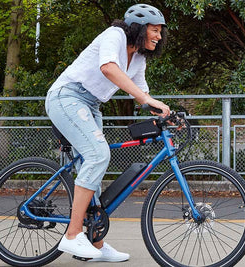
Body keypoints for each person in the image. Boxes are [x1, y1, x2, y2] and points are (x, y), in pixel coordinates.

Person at [44, 4, 171, 262]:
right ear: (140, 28)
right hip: (67, 96)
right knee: (98, 155)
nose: (158, 37)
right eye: (155, 31)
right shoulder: (115, 35)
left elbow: (141, 95)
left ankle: (96, 244)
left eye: (160, 32)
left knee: (94, 168)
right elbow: (108, 68)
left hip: (90, 104)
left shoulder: (138, 58)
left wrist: (164, 113)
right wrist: (147, 100)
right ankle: (72, 235)